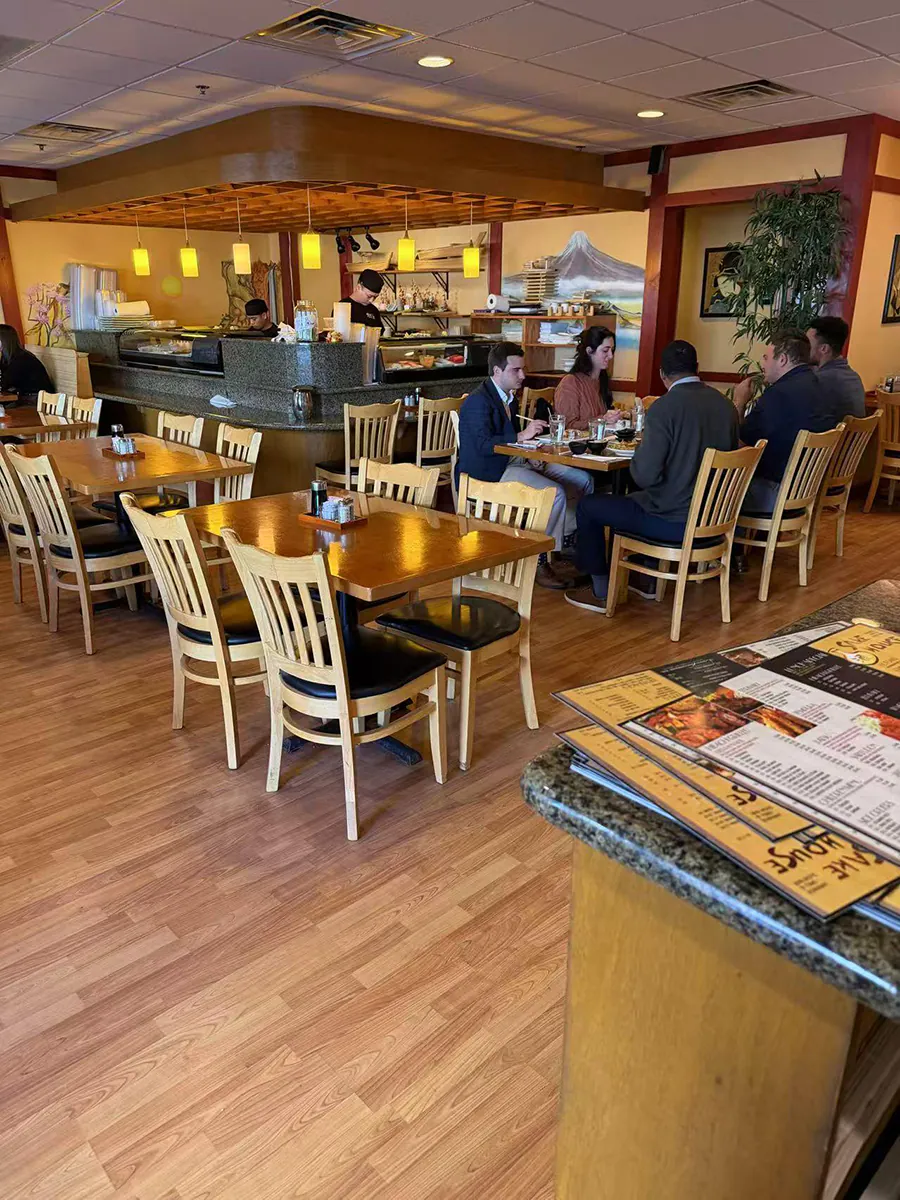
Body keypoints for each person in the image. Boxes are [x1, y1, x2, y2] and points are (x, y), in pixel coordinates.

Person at [565, 340, 738, 613]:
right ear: (698, 368)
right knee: (639, 499)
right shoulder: (726, 406)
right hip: (716, 520)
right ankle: (644, 575)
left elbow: (644, 476)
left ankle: (601, 590)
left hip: (673, 522)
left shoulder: (665, 408)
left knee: (590, 506)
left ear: (662, 374)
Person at [458, 341, 593, 589]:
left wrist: (528, 450)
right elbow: (481, 445)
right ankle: (539, 560)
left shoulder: (508, 397)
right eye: (516, 370)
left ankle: (563, 543)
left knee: (583, 480)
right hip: (486, 474)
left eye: (523, 369)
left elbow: (509, 440)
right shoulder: (478, 401)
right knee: (554, 494)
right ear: (497, 372)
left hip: (514, 461)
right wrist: (520, 438)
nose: (523, 375)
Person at [734, 331, 837, 514]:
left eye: (766, 358)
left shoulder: (779, 395)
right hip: (806, 490)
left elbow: (740, 443)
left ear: (782, 360)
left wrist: (739, 403)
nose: (763, 363)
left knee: (712, 492)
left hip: (776, 493)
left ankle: (729, 542)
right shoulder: (821, 387)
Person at [553, 325, 615, 428]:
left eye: (612, 350)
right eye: (605, 351)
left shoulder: (600, 380)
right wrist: (603, 420)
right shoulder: (570, 382)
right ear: (589, 351)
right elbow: (567, 426)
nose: (611, 356)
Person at [806, 316, 865, 419]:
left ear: (824, 349)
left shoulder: (820, 380)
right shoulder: (854, 377)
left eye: (808, 343)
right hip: (848, 434)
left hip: (832, 434)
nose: (804, 348)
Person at [0, 324, 52, 401]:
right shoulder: (8, 357)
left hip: (38, 401)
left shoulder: (22, 359)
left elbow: (3, 384)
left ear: (4, 341)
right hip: (24, 397)